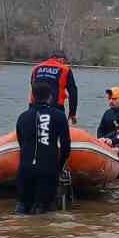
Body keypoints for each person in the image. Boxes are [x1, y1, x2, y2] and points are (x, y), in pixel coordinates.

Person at [15, 80, 71, 215]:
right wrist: (59, 166)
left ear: (32, 96)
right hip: (48, 168)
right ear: (50, 96)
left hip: (25, 168)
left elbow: (21, 143)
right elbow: (65, 145)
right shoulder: (59, 115)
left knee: (23, 207)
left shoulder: (23, 117)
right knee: (44, 211)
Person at [29, 50, 78, 125]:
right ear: (61, 59)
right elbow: (73, 92)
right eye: (64, 61)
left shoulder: (36, 68)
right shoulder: (65, 69)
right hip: (55, 107)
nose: (64, 63)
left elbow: (33, 87)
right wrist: (72, 113)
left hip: (34, 108)